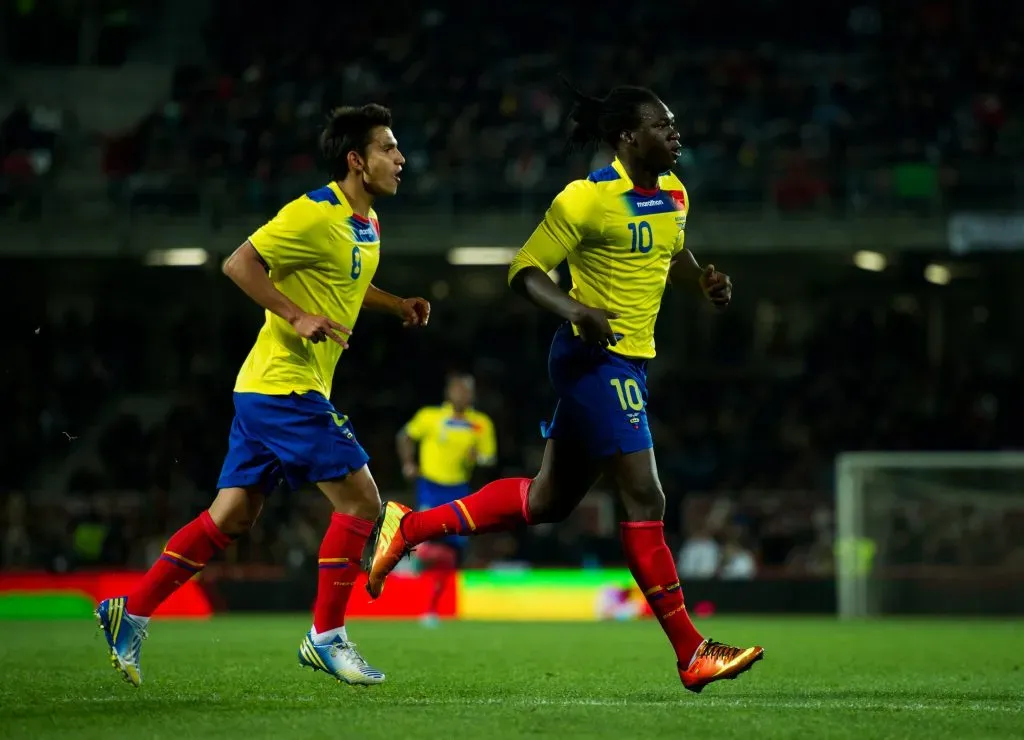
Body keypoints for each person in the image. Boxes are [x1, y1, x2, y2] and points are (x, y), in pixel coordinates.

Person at [363, 84, 763, 693]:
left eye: (675, 124)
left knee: (547, 502)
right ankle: (691, 651)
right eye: (664, 124)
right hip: (592, 359)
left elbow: (672, 255)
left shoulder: (676, 195)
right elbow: (523, 268)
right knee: (645, 497)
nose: (676, 133)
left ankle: (408, 528)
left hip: (630, 362)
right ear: (629, 137)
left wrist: (701, 284)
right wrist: (575, 308)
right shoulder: (585, 199)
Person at [95, 104, 430, 688]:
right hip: (284, 386)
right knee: (361, 501)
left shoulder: (368, 224)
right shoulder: (313, 211)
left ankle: (132, 610)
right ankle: (326, 637)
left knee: (232, 515)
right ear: (356, 160)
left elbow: (348, 280)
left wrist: (395, 303)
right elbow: (239, 264)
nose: (400, 159)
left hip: (264, 389)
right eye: (388, 148)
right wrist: (296, 314)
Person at [396, 373, 497, 626]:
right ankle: (408, 558)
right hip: (431, 485)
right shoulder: (431, 417)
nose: (462, 394)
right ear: (448, 392)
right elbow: (404, 436)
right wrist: (408, 464)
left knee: (451, 554)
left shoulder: (481, 424)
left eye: (467, 390)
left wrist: (477, 458)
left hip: (459, 489)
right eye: (458, 389)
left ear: (473, 394)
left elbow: (489, 458)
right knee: (427, 537)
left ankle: (430, 610)